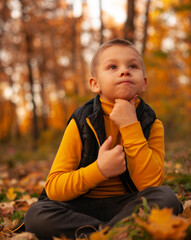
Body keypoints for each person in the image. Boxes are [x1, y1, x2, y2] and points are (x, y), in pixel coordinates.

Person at [24, 39, 183, 240]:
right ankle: (116, 233)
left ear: (144, 82)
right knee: (37, 215)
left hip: (127, 205)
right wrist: (99, 170)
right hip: (81, 208)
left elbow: (150, 184)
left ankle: (97, 235)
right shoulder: (81, 121)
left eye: (132, 66)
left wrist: (130, 126)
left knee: (165, 198)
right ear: (95, 84)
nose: (124, 71)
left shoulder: (151, 123)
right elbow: (54, 188)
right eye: (112, 67)